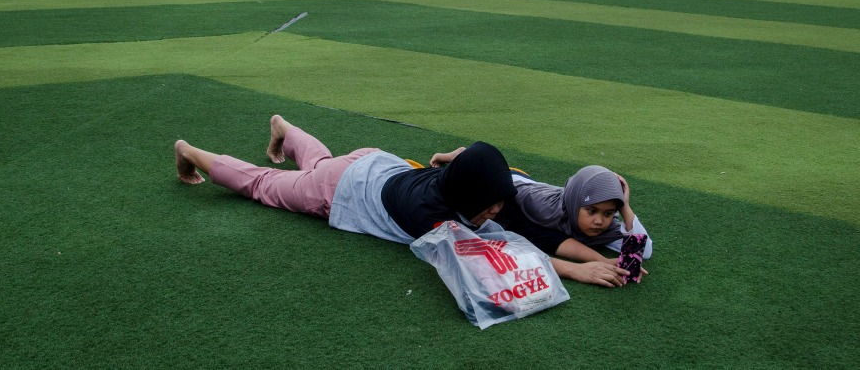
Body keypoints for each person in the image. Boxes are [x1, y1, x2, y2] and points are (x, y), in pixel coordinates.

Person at [175, 115, 631, 287]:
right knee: (266, 185)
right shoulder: (434, 218)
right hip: (346, 187)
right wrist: (577, 270)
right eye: (490, 205)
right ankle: (190, 152)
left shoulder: (462, 190)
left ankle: (285, 130)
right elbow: (503, 254)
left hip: (378, 164)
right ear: (470, 194)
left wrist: (592, 251)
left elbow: (515, 224)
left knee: (318, 165)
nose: (497, 212)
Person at [495, 165, 652, 267]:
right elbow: (506, 189)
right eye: (592, 211)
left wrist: (625, 207)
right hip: (513, 179)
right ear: (575, 205)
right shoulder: (542, 206)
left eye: (608, 213)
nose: (599, 221)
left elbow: (643, 251)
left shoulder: (608, 227)